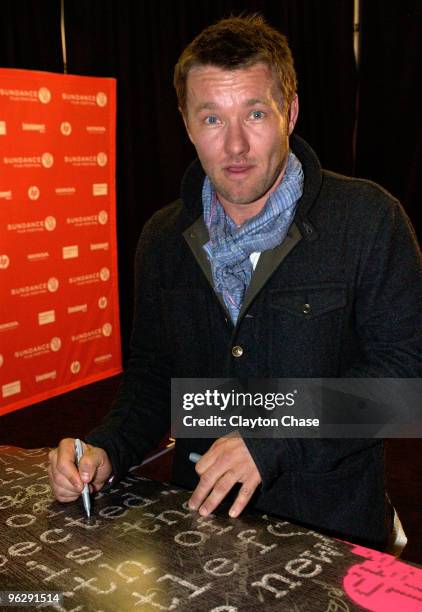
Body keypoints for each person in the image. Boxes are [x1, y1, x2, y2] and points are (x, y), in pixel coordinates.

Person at [48, 15, 422, 550]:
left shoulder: (368, 220)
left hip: (329, 534)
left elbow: (405, 384)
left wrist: (272, 440)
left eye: (255, 112)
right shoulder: (161, 239)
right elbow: (154, 383)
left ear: (290, 112)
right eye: (212, 119)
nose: (236, 146)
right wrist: (105, 448)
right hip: (200, 528)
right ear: (185, 122)